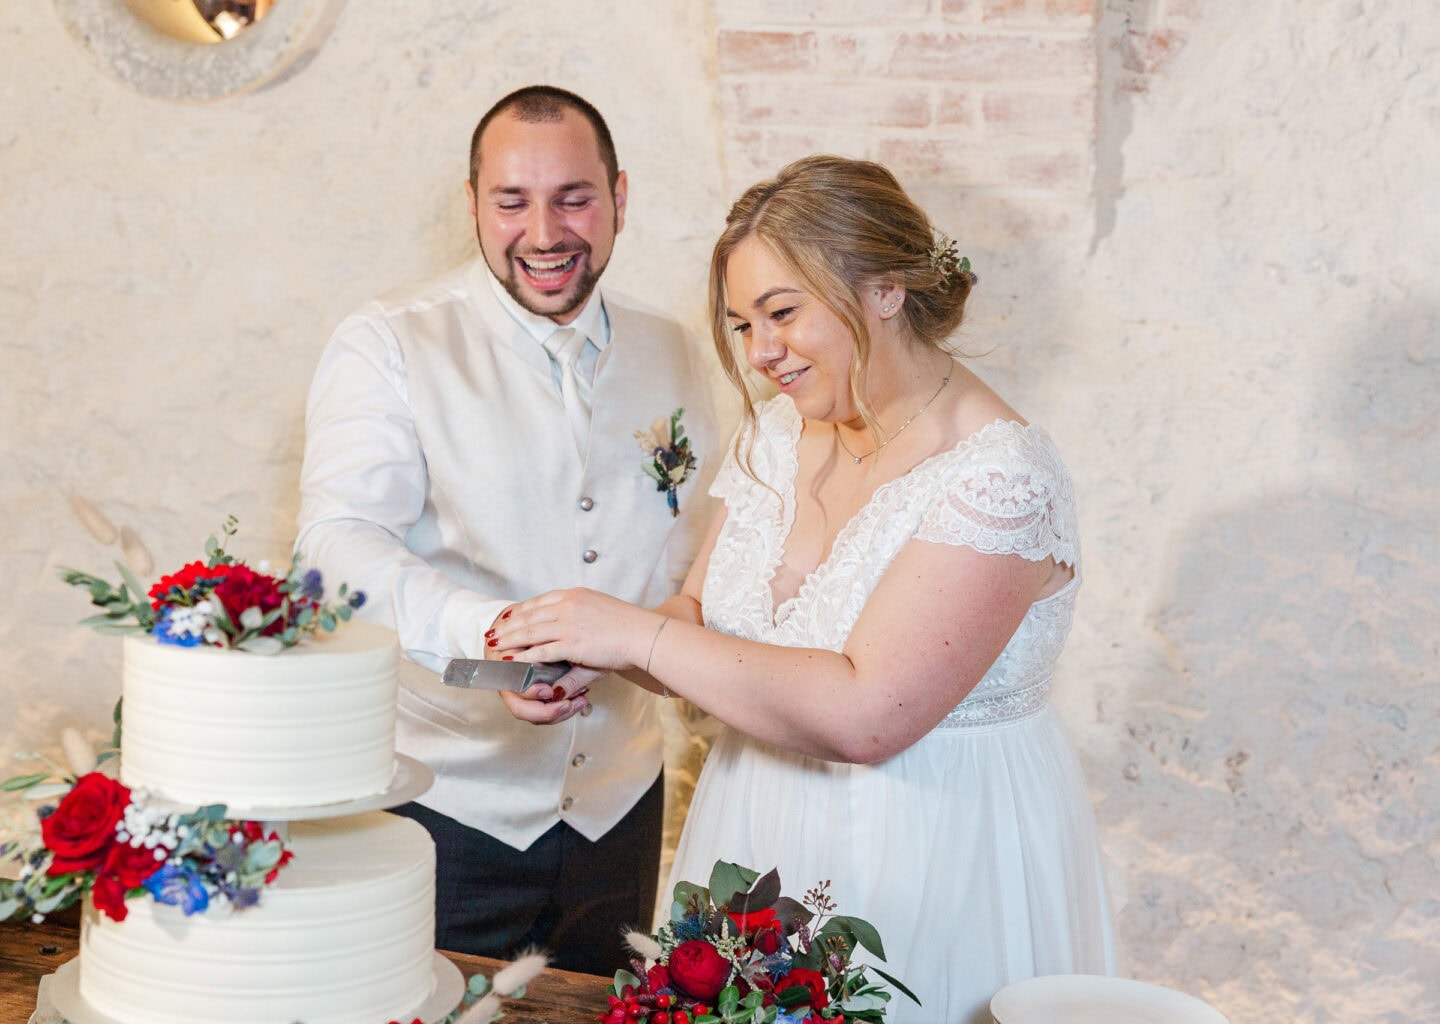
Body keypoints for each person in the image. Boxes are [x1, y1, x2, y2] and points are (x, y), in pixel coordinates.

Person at [494, 155, 1115, 1021]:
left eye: (782, 313)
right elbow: (697, 621)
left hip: (933, 850)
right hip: (757, 828)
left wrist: (634, 636)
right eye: (743, 324)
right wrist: (593, 653)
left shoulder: (1000, 476)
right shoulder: (781, 433)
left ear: (886, 289)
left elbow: (869, 717)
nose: (760, 353)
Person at [294, 85, 716, 975]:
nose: (545, 232)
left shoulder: (675, 347)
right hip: (446, 812)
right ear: (473, 204)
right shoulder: (389, 342)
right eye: (512, 201)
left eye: (574, 197)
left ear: (620, 198)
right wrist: (490, 637)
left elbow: (696, 542)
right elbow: (334, 547)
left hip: (621, 810)